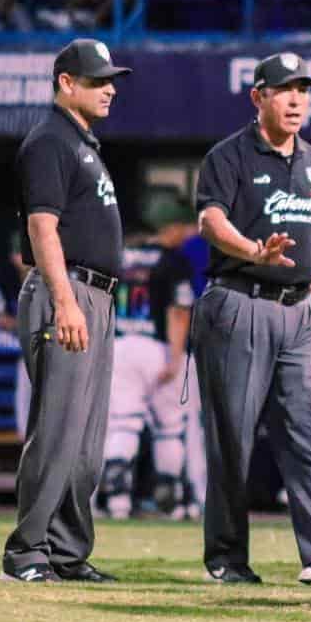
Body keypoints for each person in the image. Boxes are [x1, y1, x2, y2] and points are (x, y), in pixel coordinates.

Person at [192, 51, 311, 587]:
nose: (296, 100)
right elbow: (209, 220)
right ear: (259, 97)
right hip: (241, 301)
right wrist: (253, 251)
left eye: (303, 90)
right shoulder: (228, 155)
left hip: (299, 312)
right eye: (284, 90)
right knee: (234, 436)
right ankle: (226, 557)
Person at [1, 38, 130, 584]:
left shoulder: (82, 144)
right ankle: (25, 553)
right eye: (97, 80)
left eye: (111, 80)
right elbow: (41, 228)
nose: (110, 89)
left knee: (86, 440)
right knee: (57, 430)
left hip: (94, 296)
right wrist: (64, 300)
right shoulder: (49, 140)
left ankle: (66, 552)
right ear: (65, 83)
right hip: (68, 293)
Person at [100, 190, 202, 521]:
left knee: (123, 424)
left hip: (120, 344)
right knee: (170, 427)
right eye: (185, 225)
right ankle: (169, 502)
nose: (189, 232)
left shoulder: (120, 255)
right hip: (157, 346)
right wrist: (176, 357)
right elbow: (179, 312)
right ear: (170, 226)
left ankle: (117, 503)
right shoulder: (173, 259)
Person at [0, 232, 30, 439]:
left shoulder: (45, 277)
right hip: (25, 348)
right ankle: (25, 439)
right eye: (17, 254)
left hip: (48, 346)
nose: (20, 260)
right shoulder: (6, 278)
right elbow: (0, 319)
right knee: (23, 388)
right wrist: (21, 324)